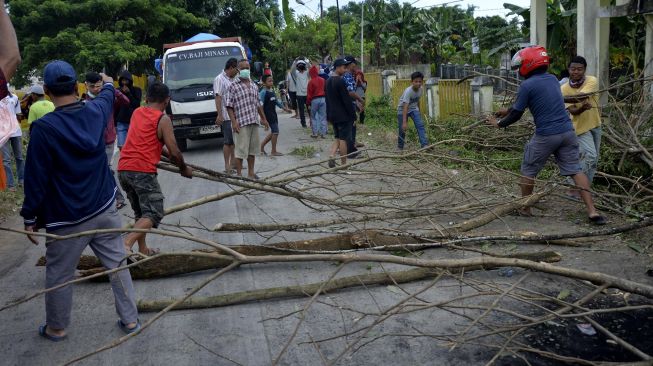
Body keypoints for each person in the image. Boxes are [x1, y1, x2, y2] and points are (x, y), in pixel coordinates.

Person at [21, 61, 140, 341]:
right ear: (77, 87)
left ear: (47, 91)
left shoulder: (44, 129)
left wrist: (30, 217)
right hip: (104, 207)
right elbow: (108, 93)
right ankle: (131, 320)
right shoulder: (96, 111)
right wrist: (108, 81)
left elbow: (35, 179)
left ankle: (57, 328)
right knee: (117, 264)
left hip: (66, 219)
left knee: (60, 275)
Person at [486, 46, 606, 225]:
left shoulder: (527, 85)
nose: (519, 70)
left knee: (528, 169)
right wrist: (508, 110)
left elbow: (517, 114)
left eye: (520, 66)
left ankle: (525, 208)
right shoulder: (552, 79)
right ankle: (592, 211)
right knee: (576, 170)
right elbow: (544, 98)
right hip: (567, 133)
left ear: (529, 64)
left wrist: (499, 124)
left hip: (546, 136)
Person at [118, 82, 192, 256]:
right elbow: (175, 151)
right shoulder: (163, 119)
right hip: (141, 171)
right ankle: (126, 243)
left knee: (141, 212)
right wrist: (183, 168)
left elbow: (150, 144)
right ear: (167, 100)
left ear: (147, 98)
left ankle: (142, 249)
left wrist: (173, 160)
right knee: (154, 212)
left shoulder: (137, 113)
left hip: (124, 170)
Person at [82, 72, 129, 209]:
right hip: (93, 142)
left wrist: (112, 89)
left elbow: (126, 101)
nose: (96, 89)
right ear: (86, 86)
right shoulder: (84, 101)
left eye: (99, 86)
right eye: (93, 86)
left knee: (105, 169)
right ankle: (109, 198)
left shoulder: (108, 96)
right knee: (103, 170)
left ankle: (117, 198)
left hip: (108, 140)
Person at [560, 56, 602, 195]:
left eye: (579, 69)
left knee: (594, 161)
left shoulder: (592, 80)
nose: (576, 72)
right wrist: (582, 109)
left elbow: (582, 96)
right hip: (579, 127)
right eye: (573, 69)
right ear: (568, 70)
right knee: (590, 156)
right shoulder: (564, 88)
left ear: (584, 70)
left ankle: (583, 190)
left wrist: (559, 98)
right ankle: (573, 185)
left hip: (595, 124)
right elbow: (573, 111)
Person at [226, 59, 270, 179]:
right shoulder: (233, 86)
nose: (246, 70)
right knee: (240, 151)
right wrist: (234, 122)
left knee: (252, 150)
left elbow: (258, 104)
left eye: (247, 67)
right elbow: (229, 106)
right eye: (243, 68)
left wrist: (263, 118)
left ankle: (251, 173)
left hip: (253, 121)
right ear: (238, 70)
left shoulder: (254, 85)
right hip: (241, 123)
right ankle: (240, 175)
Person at [325, 58, 356, 168]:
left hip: (333, 116)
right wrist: (353, 115)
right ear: (337, 67)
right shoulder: (340, 81)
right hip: (343, 116)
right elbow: (346, 101)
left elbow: (327, 100)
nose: (345, 69)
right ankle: (344, 164)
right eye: (344, 67)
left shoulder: (328, 81)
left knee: (337, 138)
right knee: (343, 140)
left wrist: (328, 115)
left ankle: (332, 156)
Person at [214, 57, 239, 174]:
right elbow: (218, 97)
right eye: (236, 69)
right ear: (231, 68)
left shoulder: (233, 79)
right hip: (226, 115)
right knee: (228, 142)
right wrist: (219, 114)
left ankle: (234, 163)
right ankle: (227, 166)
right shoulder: (219, 79)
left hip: (235, 115)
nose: (238, 72)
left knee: (234, 141)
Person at [260, 74, 291, 156]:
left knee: (274, 132)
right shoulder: (263, 93)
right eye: (269, 81)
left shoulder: (272, 91)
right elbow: (260, 106)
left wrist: (285, 109)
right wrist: (263, 118)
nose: (271, 82)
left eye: (272, 81)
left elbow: (277, 102)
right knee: (276, 131)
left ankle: (261, 146)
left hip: (273, 114)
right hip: (268, 115)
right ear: (264, 82)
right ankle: (273, 151)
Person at [397, 71, 429, 150]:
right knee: (402, 129)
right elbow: (405, 107)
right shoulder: (408, 91)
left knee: (420, 125)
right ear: (412, 82)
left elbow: (418, 101)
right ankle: (400, 147)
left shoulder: (421, 89)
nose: (418, 83)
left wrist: (419, 112)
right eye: (416, 81)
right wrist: (404, 122)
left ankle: (424, 145)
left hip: (413, 109)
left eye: (420, 81)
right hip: (402, 110)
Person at [342, 56, 365, 156]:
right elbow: (350, 92)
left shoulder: (348, 75)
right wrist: (360, 100)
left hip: (349, 104)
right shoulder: (347, 75)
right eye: (354, 64)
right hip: (348, 105)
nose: (355, 66)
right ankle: (350, 151)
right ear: (351, 64)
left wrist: (357, 102)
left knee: (351, 126)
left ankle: (349, 146)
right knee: (351, 127)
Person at [114, 70, 142, 150]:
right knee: (122, 146)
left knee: (133, 147)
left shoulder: (137, 90)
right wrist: (114, 123)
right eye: (122, 80)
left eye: (126, 80)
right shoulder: (117, 91)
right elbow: (115, 107)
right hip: (121, 122)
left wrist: (129, 94)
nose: (124, 83)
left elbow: (136, 105)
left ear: (130, 80)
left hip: (133, 122)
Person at [2, 89, 23, 190]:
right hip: (2, 133)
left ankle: (21, 180)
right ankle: (11, 185)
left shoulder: (14, 97)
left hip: (15, 131)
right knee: (6, 160)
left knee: (19, 157)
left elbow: (18, 113)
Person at [307, 64, 327, 138]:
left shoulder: (310, 82)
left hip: (314, 100)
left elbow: (309, 94)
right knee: (323, 117)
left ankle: (315, 133)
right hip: (323, 99)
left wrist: (308, 104)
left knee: (313, 117)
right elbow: (325, 89)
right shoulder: (323, 80)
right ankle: (323, 133)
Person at [292, 59, 310, 128]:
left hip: (307, 94)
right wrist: (295, 61)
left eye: (302, 65)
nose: (301, 66)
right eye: (299, 65)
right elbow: (292, 70)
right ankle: (303, 123)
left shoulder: (307, 73)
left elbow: (310, 67)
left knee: (309, 109)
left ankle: (311, 122)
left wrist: (306, 61)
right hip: (299, 95)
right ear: (298, 67)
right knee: (301, 110)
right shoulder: (296, 74)